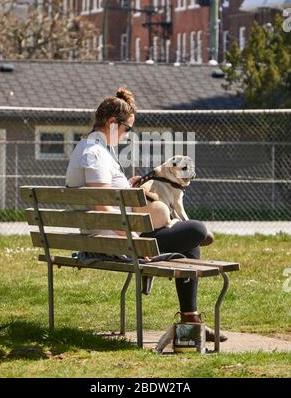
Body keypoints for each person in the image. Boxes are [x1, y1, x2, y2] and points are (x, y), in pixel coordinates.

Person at [65, 87, 227, 342]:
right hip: (112, 240)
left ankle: (190, 321)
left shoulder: (93, 149)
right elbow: (101, 207)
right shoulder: (94, 153)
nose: (128, 135)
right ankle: (190, 322)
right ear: (112, 123)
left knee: (190, 238)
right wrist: (134, 241)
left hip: (112, 234)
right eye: (127, 129)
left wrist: (128, 188)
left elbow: (106, 197)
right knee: (195, 231)